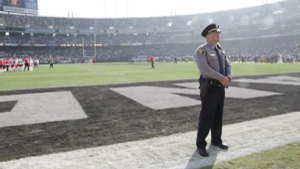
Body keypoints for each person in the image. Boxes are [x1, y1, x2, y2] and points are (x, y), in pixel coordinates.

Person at [194, 24, 232, 157]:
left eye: (218, 32)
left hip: (220, 87)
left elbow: (228, 65)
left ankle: (216, 140)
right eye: (215, 33)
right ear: (207, 35)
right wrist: (222, 78)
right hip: (209, 87)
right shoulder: (201, 50)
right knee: (206, 116)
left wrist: (228, 77)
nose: (218, 35)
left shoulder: (221, 50)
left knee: (217, 115)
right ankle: (200, 144)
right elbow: (204, 69)